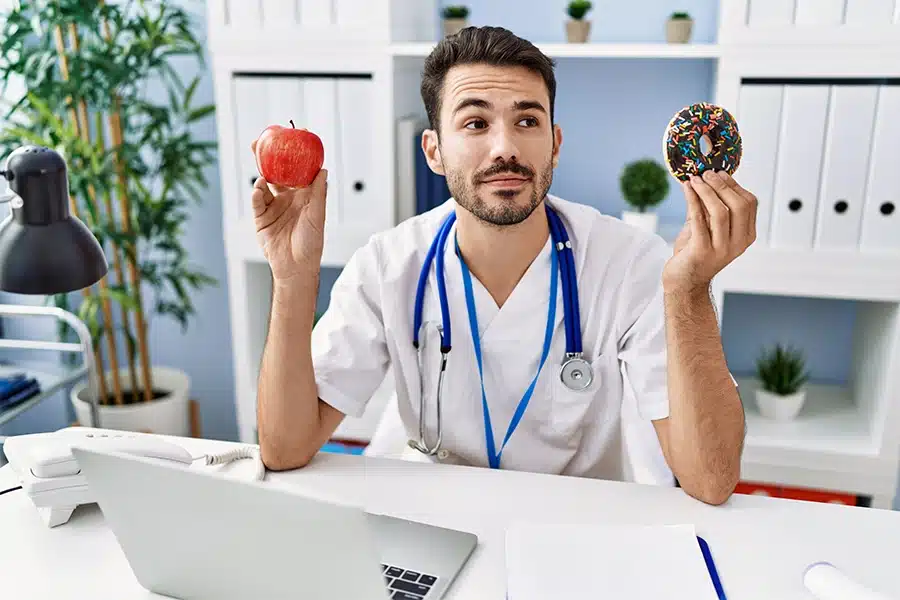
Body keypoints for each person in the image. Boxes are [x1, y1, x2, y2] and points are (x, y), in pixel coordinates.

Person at [250, 26, 753, 505]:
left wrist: (690, 287)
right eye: (475, 123)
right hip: (432, 518)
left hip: (576, 534)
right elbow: (284, 448)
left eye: (527, 121)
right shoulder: (387, 266)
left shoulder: (631, 264)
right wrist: (293, 279)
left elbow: (710, 480)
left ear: (554, 144)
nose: (506, 148)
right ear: (434, 151)